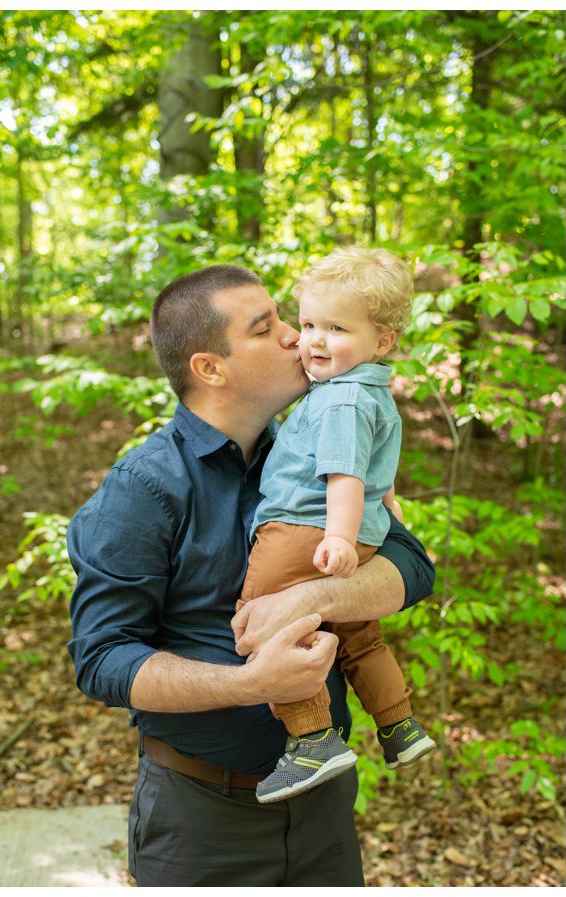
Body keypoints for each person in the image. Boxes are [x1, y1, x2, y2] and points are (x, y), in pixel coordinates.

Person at [67, 264, 435, 886]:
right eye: (268, 329)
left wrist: (315, 595)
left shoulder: (308, 445)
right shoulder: (144, 490)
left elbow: (413, 566)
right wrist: (250, 682)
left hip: (324, 810)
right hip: (201, 822)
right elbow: (102, 660)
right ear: (211, 368)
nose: (297, 337)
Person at [244, 247, 435, 804]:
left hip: (306, 528)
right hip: (352, 529)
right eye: (307, 324)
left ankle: (312, 739)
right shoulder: (366, 390)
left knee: (265, 623)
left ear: (383, 340)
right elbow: (374, 462)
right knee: (358, 632)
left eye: (336, 328)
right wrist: (386, 504)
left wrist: (338, 536)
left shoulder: (339, 401)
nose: (315, 340)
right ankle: (398, 725)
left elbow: (345, 472)